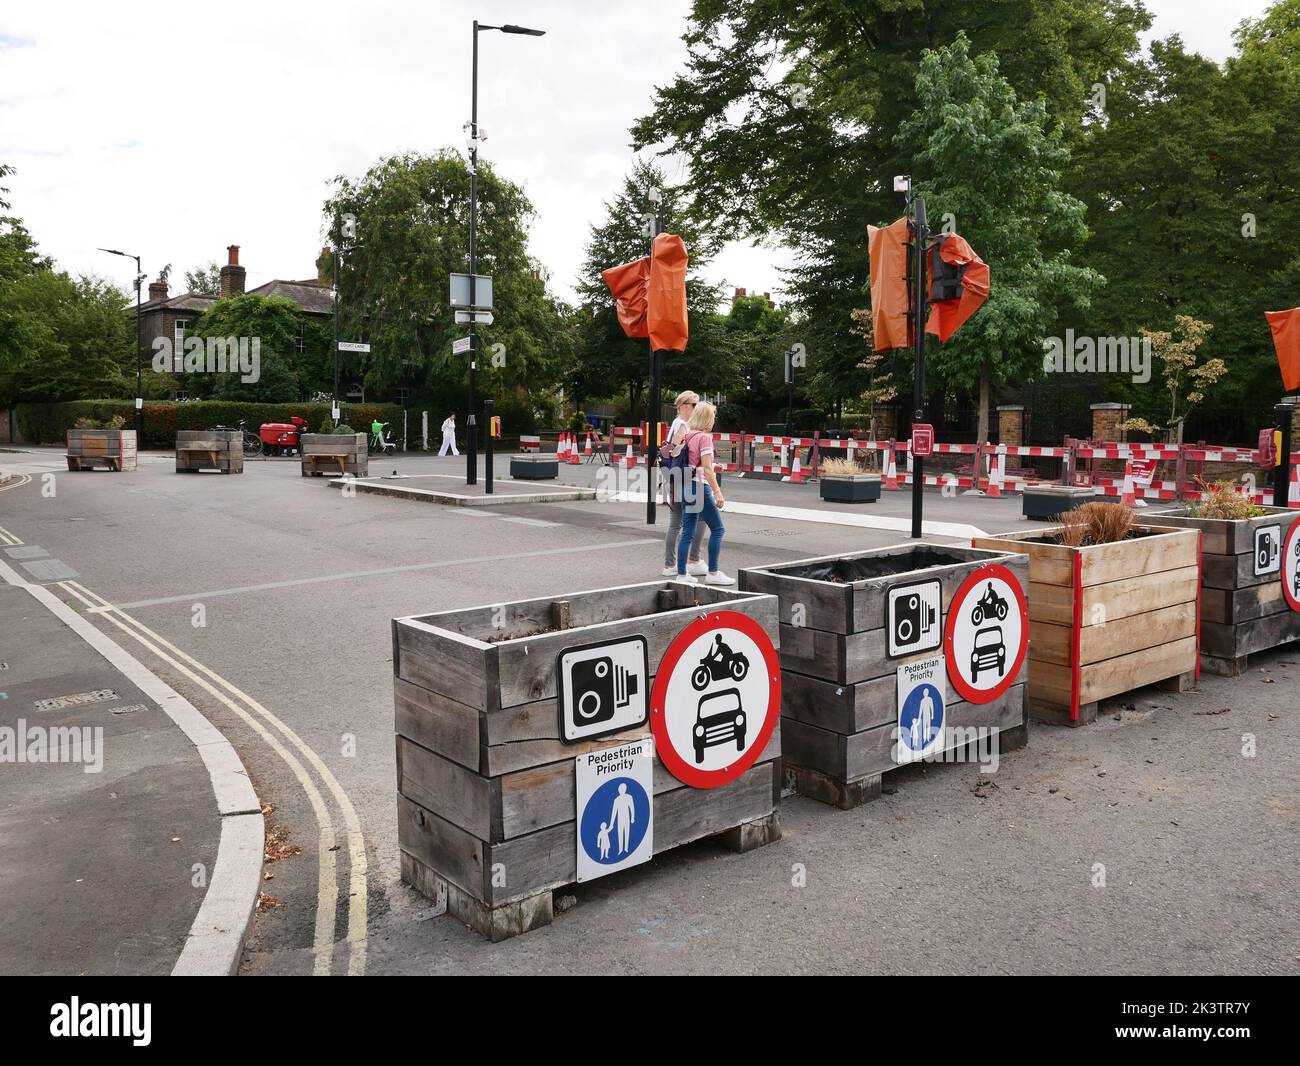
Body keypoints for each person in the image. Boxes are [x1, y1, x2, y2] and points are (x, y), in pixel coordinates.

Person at [676, 401, 733, 586]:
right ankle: (713, 573)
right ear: (708, 418)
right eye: (713, 416)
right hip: (699, 487)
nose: (714, 419)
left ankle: (682, 574)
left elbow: (694, 463)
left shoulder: (687, 435)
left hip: (686, 486)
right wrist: (718, 492)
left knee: (687, 532)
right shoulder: (704, 437)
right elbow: (707, 469)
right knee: (718, 529)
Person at [660, 391, 705, 577]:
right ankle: (691, 560)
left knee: (677, 523)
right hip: (684, 478)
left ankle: (672, 564)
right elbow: (676, 452)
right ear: (683, 405)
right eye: (694, 404)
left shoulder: (680, 424)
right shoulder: (682, 425)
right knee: (698, 519)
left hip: (676, 478)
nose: (696, 408)